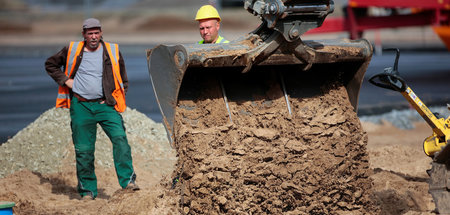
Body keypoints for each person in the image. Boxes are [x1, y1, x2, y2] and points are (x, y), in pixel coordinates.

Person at [45, 18, 139, 200]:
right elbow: (50, 64)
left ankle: (128, 182)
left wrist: (113, 97)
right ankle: (87, 191)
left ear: (101, 33)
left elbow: (123, 79)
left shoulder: (111, 50)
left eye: (97, 33)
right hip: (81, 106)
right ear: (84, 35)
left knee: (120, 139)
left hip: (105, 105)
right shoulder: (72, 50)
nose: (94, 37)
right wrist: (66, 80)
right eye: (90, 33)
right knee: (84, 149)